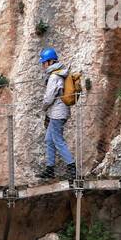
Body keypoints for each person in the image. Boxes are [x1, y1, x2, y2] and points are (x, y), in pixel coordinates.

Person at [38, 48, 76, 180]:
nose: (43, 65)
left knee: (58, 140)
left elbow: (49, 98)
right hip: (59, 112)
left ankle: (72, 167)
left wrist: (43, 108)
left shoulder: (54, 76)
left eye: (44, 62)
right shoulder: (60, 74)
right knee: (49, 139)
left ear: (50, 62)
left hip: (57, 114)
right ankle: (50, 169)